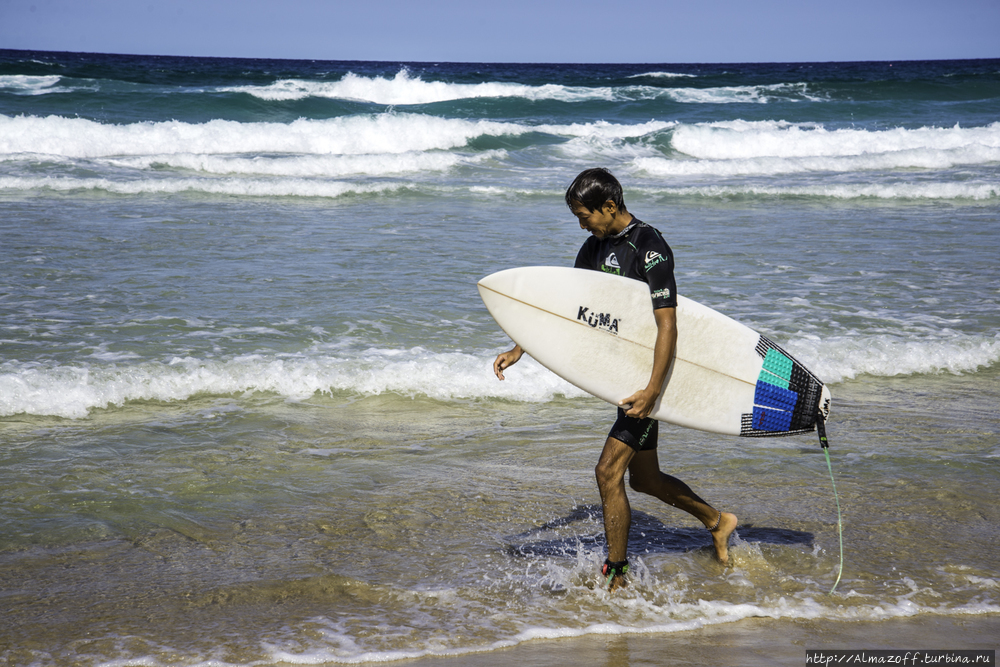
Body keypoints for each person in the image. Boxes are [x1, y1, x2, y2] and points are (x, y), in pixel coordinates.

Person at [492, 168, 738, 590]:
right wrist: (520, 346)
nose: (581, 224)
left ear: (609, 206)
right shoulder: (593, 249)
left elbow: (668, 326)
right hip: (625, 379)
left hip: (650, 380)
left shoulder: (651, 247)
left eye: (584, 215)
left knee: (607, 472)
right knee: (645, 480)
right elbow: (566, 308)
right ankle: (718, 521)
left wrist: (653, 391)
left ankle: (617, 576)